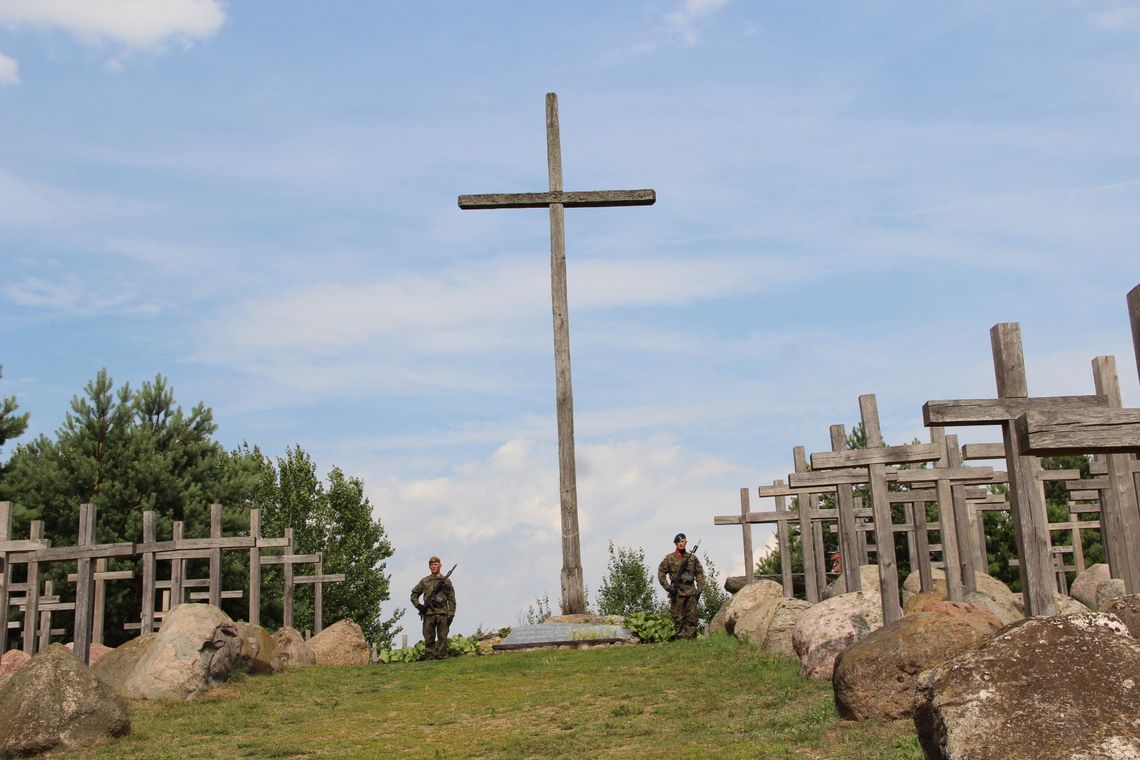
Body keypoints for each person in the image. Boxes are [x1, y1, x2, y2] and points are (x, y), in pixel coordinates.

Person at [657, 533, 705, 639]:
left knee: (691, 617)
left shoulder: (692, 558)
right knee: (678, 617)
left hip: (691, 591)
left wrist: (699, 588)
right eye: (678, 542)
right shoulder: (669, 558)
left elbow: (700, 573)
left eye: (682, 541)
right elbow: (661, 574)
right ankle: (680, 638)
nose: (680, 544)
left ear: (686, 542)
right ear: (675, 544)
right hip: (677, 591)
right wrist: (668, 588)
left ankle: (692, 638)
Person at [410, 556, 456, 660]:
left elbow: (451, 598)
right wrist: (419, 606)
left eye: (435, 564)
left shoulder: (446, 581)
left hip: (442, 613)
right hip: (428, 613)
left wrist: (452, 613)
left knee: (443, 637)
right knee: (428, 637)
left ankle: (442, 655)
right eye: (431, 565)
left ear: (440, 565)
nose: (433, 566)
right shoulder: (424, 581)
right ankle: (429, 656)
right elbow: (414, 595)